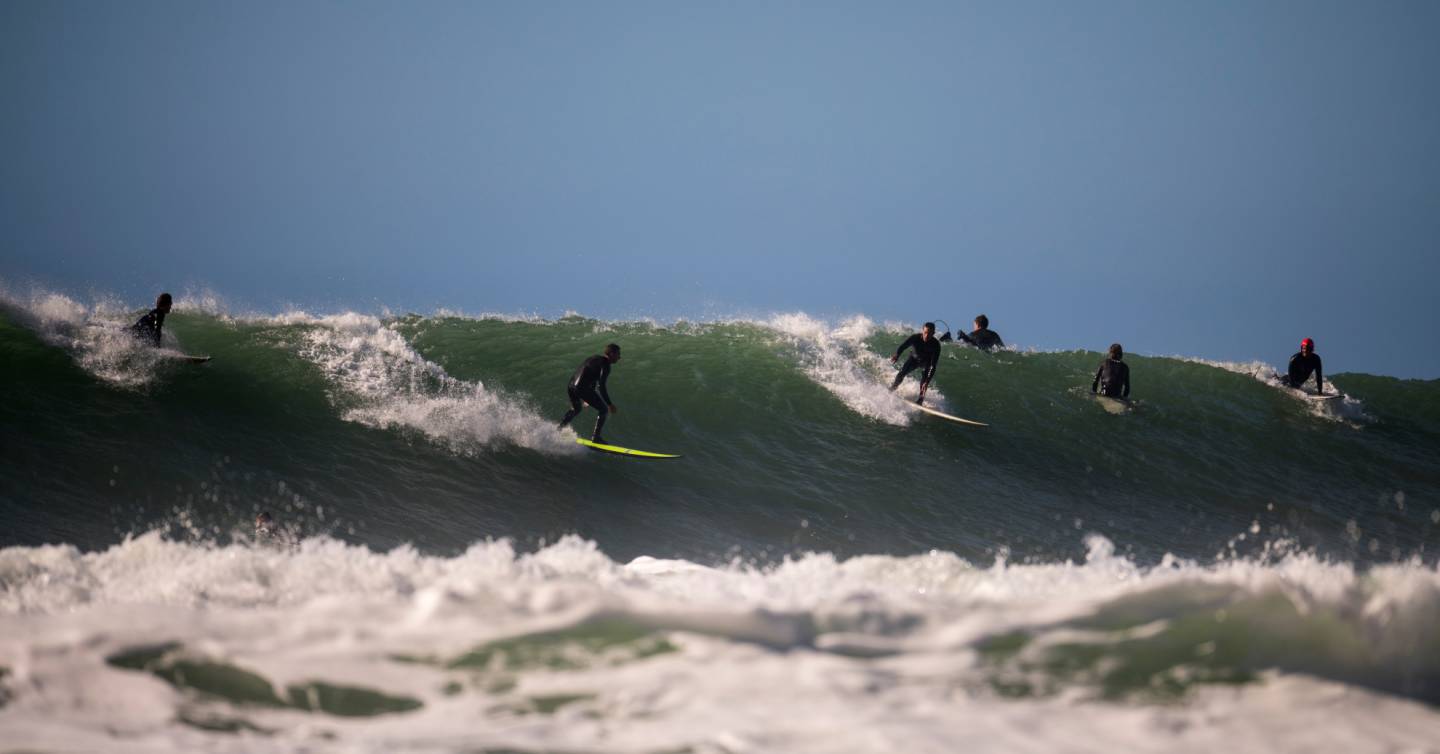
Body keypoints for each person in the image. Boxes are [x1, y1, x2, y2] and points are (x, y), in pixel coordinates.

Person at [558, 343, 621, 443]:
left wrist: (587, 397)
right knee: (604, 410)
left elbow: (588, 375)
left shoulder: (594, 358)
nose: (619, 357)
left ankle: (559, 429)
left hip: (571, 386)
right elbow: (601, 386)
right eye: (618, 354)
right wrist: (609, 404)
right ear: (612, 354)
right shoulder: (606, 365)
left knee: (576, 409)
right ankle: (596, 437)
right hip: (581, 388)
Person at [889, 322, 944, 405]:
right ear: (922, 331)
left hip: (926, 363)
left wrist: (927, 381)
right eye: (925, 332)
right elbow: (903, 346)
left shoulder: (936, 345)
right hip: (913, 359)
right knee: (902, 373)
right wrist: (897, 355)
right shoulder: (915, 338)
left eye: (929, 334)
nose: (926, 335)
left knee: (924, 382)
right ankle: (893, 388)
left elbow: (933, 365)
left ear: (933, 333)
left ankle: (920, 400)